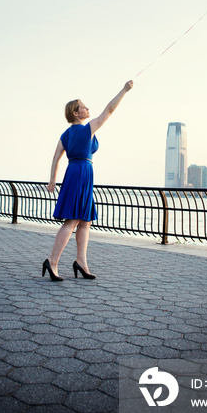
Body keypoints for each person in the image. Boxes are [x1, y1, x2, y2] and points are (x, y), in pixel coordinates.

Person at [43, 80, 133, 281]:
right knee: (73, 220)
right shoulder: (87, 129)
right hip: (82, 172)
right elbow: (109, 110)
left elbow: (56, 156)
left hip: (74, 172)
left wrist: (52, 180)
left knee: (85, 220)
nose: (87, 108)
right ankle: (53, 261)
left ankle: (81, 262)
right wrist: (124, 90)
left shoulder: (65, 134)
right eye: (83, 107)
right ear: (76, 113)